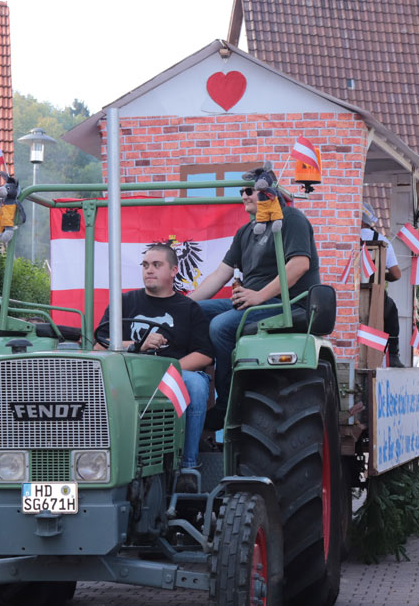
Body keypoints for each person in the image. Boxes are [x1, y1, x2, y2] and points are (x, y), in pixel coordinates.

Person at [189, 182, 320, 409]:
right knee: (194, 313)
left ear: (269, 192)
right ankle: (195, 388)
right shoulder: (246, 231)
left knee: (221, 326)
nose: (244, 196)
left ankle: (226, 403)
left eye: (249, 191)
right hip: (254, 302)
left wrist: (259, 296)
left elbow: (299, 265)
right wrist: (181, 304)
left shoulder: (291, 219)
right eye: (241, 191)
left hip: (287, 304)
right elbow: (220, 274)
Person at [96, 244, 214, 476]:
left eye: (157, 265)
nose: (149, 270)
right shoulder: (123, 302)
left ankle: (187, 468)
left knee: (196, 384)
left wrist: (169, 370)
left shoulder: (189, 309)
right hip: (128, 374)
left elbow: (204, 354)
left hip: (174, 375)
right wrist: (137, 345)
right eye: (145, 265)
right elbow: (99, 345)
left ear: (173, 270)